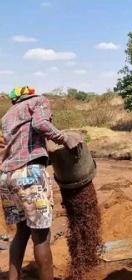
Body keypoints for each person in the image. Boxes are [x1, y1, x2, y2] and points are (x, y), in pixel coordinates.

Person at [0, 86, 81, 280]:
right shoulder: (39, 101)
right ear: (30, 94)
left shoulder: (7, 116)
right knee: (41, 236)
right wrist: (64, 138)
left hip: (6, 178)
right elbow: (40, 123)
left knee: (21, 232)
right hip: (30, 174)